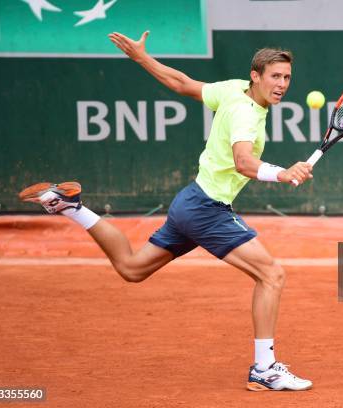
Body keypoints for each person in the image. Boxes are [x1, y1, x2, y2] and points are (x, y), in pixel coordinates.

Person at [19, 31, 313, 391]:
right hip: (208, 210)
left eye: (286, 78)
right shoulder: (245, 114)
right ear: (256, 75)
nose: (282, 84)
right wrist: (282, 173)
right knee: (272, 276)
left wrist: (142, 57)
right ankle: (264, 369)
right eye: (275, 76)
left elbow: (182, 83)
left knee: (131, 268)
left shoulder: (234, 89)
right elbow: (243, 161)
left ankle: (71, 207)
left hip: (189, 202)